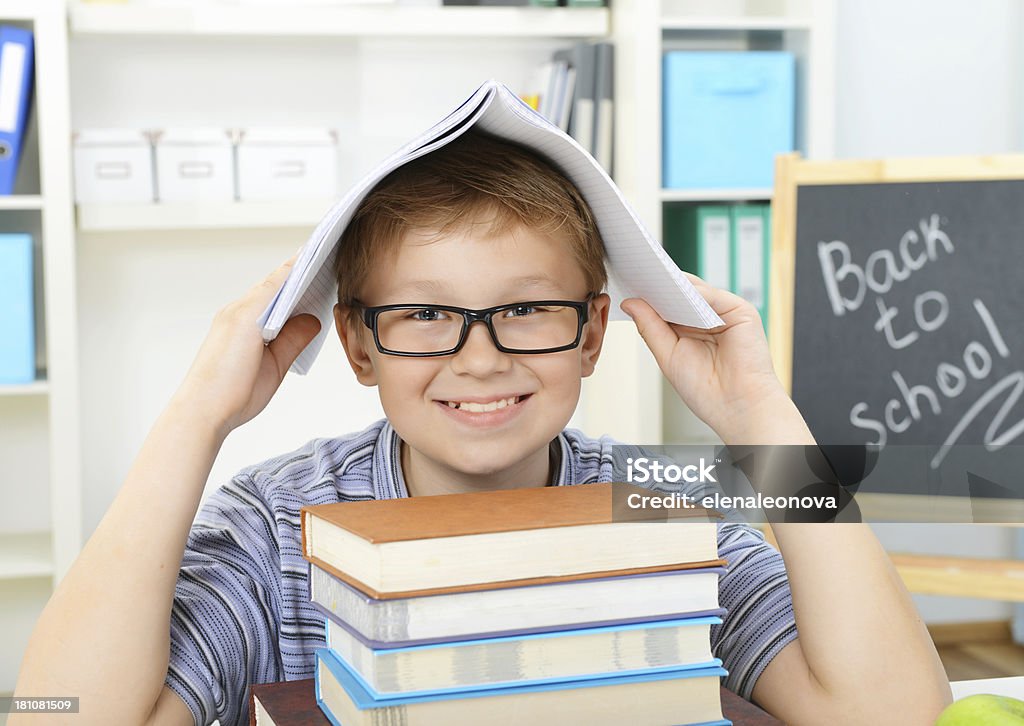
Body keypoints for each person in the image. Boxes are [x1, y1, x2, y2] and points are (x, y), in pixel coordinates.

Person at [14, 130, 950, 726]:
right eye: (423, 315)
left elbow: (897, 716)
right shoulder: (277, 522)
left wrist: (765, 423)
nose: (481, 359)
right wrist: (196, 418)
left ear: (590, 333)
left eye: (528, 309)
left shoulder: (655, 501)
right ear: (357, 344)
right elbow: (57, 717)